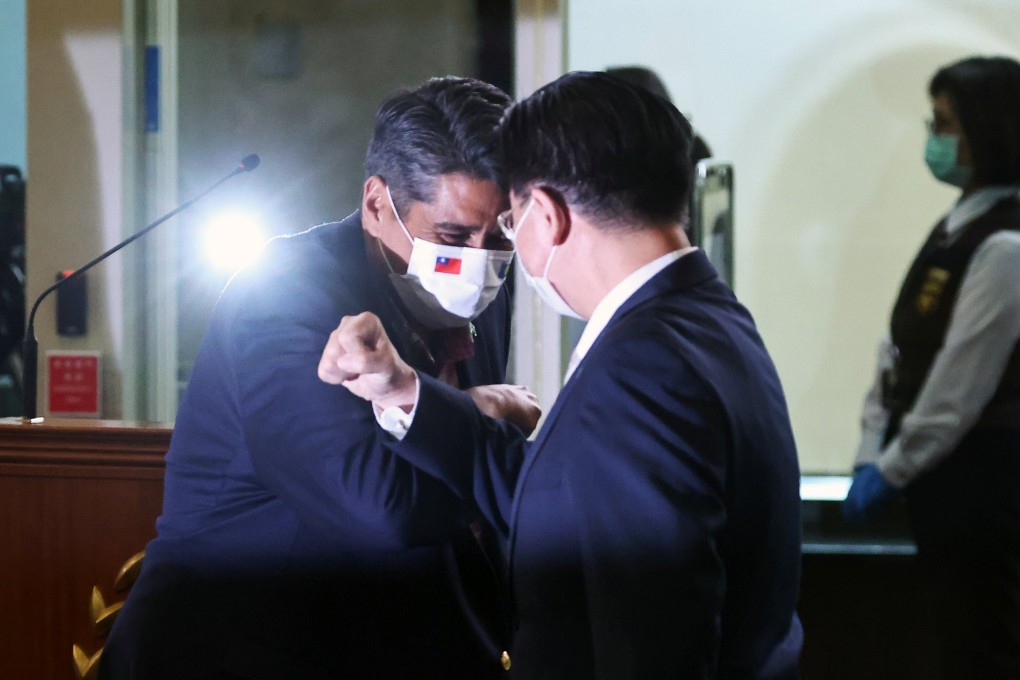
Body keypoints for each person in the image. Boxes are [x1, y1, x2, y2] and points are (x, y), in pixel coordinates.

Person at [320, 71, 804, 678]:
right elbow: (561, 503)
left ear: (545, 214)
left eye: (508, 221)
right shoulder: (706, 317)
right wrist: (405, 391)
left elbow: (649, 637)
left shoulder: (639, 369)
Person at [99, 76, 541, 680]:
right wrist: (486, 411)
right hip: (242, 646)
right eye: (452, 238)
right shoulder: (281, 294)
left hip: (388, 637)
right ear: (377, 203)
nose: (480, 263)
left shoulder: (482, 289)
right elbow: (380, 508)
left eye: (500, 237)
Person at [843, 55, 1020, 677]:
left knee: (981, 644)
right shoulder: (955, 226)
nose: (934, 139)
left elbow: (956, 392)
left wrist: (890, 468)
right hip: (939, 482)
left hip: (980, 482)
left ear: (990, 131)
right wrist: (869, 449)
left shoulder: (1004, 246)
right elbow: (898, 348)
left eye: (946, 125)